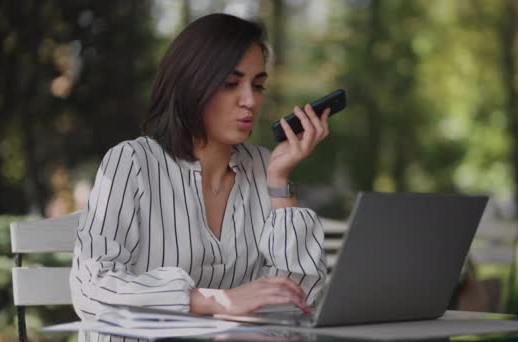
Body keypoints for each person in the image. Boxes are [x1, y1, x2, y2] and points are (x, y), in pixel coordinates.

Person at [69, 13, 329, 320]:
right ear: (192, 84)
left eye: (257, 86)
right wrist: (212, 300)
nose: (250, 100)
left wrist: (279, 180)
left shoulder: (264, 166)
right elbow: (90, 286)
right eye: (231, 84)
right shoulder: (132, 163)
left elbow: (299, 298)